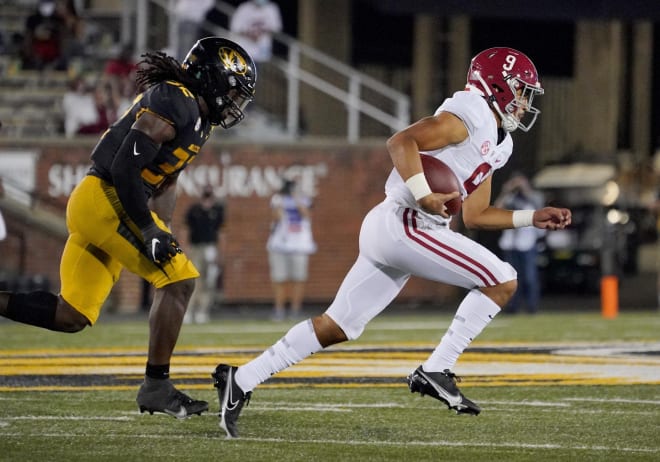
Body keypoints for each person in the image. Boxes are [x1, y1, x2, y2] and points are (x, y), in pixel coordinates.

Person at [211, 47, 572, 438]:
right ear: (498, 86)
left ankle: (242, 379)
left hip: (402, 228)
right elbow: (401, 142)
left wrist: (529, 218)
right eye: (520, 91)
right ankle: (436, 368)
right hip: (408, 221)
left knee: (337, 326)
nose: (524, 102)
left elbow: (475, 214)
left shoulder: (501, 143)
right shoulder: (472, 114)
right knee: (503, 279)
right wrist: (422, 193)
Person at [0, 37, 256, 419]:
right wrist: (146, 229)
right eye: (233, 92)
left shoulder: (199, 119)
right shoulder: (176, 98)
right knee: (180, 281)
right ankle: (156, 385)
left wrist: (162, 227)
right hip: (105, 197)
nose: (236, 104)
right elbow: (124, 166)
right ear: (212, 80)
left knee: (72, 314)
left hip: (107, 201)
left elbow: (166, 178)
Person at [494, 172, 545, 313]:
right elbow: (496, 209)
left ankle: (532, 306)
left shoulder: (534, 197)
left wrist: (525, 189)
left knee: (529, 276)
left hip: (527, 243)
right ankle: (512, 306)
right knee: (511, 277)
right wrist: (506, 191)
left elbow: (540, 209)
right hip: (510, 243)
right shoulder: (509, 198)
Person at [266, 179, 317, 321]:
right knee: (279, 278)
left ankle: (295, 310)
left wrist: (296, 198)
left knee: (298, 279)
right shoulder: (278, 199)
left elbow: (306, 215)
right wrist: (281, 203)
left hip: (300, 245)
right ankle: (279, 310)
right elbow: (276, 217)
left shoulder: (303, 199)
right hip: (280, 244)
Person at [184, 185, 225, 324]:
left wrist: (220, 251)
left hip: (211, 247)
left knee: (209, 281)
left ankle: (203, 310)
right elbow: (186, 230)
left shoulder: (217, 211)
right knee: (195, 280)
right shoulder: (194, 210)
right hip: (196, 247)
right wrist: (185, 249)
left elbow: (220, 232)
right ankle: (189, 310)